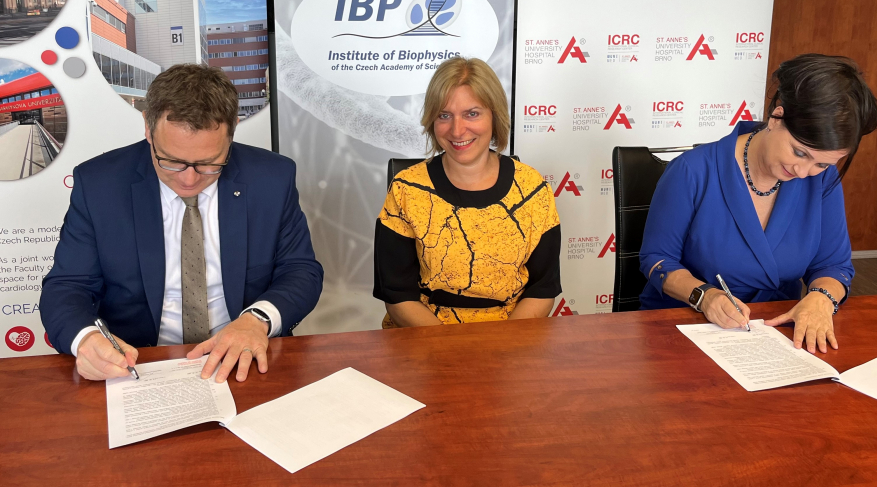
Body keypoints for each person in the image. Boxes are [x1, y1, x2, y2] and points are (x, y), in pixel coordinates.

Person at [41, 64, 323, 383]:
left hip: (240, 360)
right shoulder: (99, 184)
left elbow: (301, 271)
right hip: (137, 366)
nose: (189, 179)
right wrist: (86, 340)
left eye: (208, 163)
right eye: (171, 161)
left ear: (232, 131)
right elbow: (68, 286)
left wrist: (257, 320)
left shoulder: (272, 178)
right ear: (148, 128)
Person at [639, 54, 877, 353]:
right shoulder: (693, 171)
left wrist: (821, 297)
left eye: (821, 164)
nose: (803, 172)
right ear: (776, 117)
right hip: (688, 328)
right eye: (800, 153)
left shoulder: (821, 179)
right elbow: (657, 260)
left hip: (777, 331)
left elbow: (833, 265)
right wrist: (704, 297)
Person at [373, 57, 561, 327]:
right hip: (422, 339)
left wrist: (504, 348)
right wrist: (450, 354)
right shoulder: (406, 190)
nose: (457, 130)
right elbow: (397, 294)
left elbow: (542, 289)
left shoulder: (533, 190)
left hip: (511, 338)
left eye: (472, 113)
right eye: (444, 115)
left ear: (494, 116)